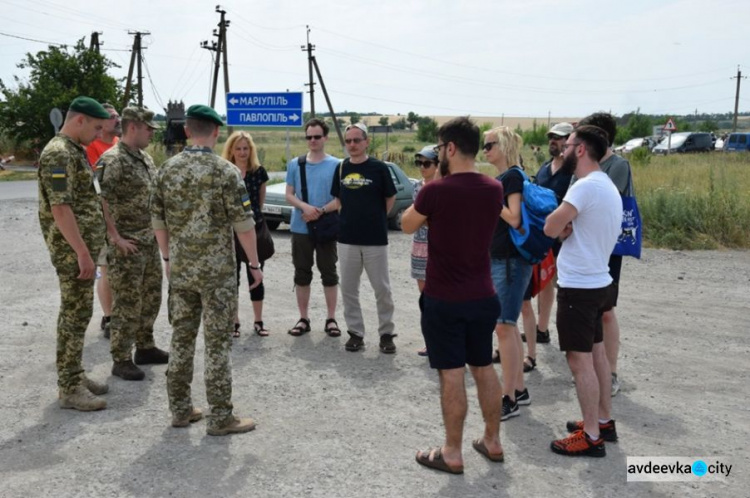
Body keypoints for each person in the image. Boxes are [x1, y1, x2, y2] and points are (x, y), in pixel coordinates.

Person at [402, 117, 504, 474]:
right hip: (483, 295)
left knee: (451, 374)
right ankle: (492, 440)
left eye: (439, 147)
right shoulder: (494, 188)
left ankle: (452, 451)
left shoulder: (436, 190)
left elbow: (406, 223)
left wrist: (431, 215)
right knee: (484, 368)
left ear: (449, 148)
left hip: (445, 297)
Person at [151, 104, 261, 435]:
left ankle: (181, 410)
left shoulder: (166, 170)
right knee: (217, 343)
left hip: (182, 270)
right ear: (215, 132)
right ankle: (220, 417)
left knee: (182, 340)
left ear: (187, 131)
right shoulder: (226, 172)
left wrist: (168, 258)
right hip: (217, 275)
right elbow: (244, 224)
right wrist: (254, 265)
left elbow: (158, 221)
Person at [543, 125, 622, 457]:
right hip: (600, 281)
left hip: (579, 287)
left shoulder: (583, 188)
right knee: (598, 355)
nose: (562, 149)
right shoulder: (606, 185)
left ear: (580, 149)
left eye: (567, 144)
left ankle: (590, 436)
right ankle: (602, 420)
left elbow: (549, 226)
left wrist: (561, 229)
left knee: (580, 361)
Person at [37, 96, 111, 411]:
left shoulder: (73, 150)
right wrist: (81, 252)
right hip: (71, 251)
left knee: (80, 313)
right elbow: (60, 207)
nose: (98, 134)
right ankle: (69, 387)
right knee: (74, 314)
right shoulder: (58, 153)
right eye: (96, 127)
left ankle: (75, 374)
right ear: (79, 119)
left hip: (81, 249)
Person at [97, 106, 169, 381]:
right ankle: (121, 357)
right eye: (149, 128)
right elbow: (99, 199)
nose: (152, 133)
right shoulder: (112, 160)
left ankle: (145, 347)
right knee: (127, 302)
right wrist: (114, 237)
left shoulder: (145, 158)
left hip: (148, 243)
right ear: (133, 127)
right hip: (126, 246)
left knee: (151, 297)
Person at [574, 112, 633, 396]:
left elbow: (599, 202)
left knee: (606, 311)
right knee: (592, 311)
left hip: (607, 247)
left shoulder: (618, 165)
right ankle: (595, 371)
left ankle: (610, 373)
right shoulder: (584, 167)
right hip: (587, 245)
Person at [331, 123, 397, 353]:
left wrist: (376, 219)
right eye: (348, 141)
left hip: (375, 240)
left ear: (366, 142)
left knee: (382, 289)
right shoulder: (341, 168)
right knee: (349, 289)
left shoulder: (379, 168)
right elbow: (338, 200)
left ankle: (386, 334)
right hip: (347, 239)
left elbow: (390, 199)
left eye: (356, 140)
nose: (352, 145)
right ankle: (355, 333)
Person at [483, 126, 532, 420]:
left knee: (504, 327)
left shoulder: (512, 176)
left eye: (489, 145)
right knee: (507, 326)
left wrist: (492, 200)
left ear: (503, 146)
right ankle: (519, 390)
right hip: (503, 259)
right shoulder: (506, 177)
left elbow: (513, 218)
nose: (484, 149)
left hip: (510, 261)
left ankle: (508, 397)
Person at [519, 122, 575, 372]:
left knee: (563, 287)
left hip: (566, 239)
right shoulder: (544, 168)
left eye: (560, 138)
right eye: (551, 137)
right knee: (544, 283)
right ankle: (542, 329)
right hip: (544, 238)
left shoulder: (573, 172)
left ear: (569, 142)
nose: (554, 141)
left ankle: (573, 340)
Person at [284, 118, 341, 338]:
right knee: (301, 273)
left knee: (329, 273)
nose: (313, 140)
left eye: (317, 136)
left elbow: (340, 198)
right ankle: (303, 318)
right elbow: (289, 194)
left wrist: (319, 211)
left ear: (325, 137)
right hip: (300, 228)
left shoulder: (337, 165)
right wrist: (305, 208)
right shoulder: (295, 164)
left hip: (326, 226)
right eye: (309, 137)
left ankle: (331, 318)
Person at [222, 131, 270, 338]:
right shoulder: (224, 172)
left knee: (256, 275)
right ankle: (234, 322)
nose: (242, 152)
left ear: (251, 150)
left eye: (246, 148)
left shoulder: (259, 172)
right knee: (232, 279)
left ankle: (258, 321)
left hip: (254, 229)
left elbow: (260, 201)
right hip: (229, 232)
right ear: (231, 150)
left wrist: (251, 222)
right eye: (238, 148)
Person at [86, 103, 121, 339]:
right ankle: (109, 317)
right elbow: (95, 186)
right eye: (111, 117)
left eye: (118, 116)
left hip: (122, 217)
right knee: (106, 267)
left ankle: (117, 312)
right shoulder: (92, 147)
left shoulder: (118, 144)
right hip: (103, 216)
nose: (117, 120)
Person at [411, 145, 438, 357]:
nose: (422, 167)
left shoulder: (445, 187)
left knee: (443, 296)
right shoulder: (417, 188)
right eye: (419, 162)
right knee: (425, 297)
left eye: (427, 163)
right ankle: (431, 342)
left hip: (439, 247)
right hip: (419, 246)